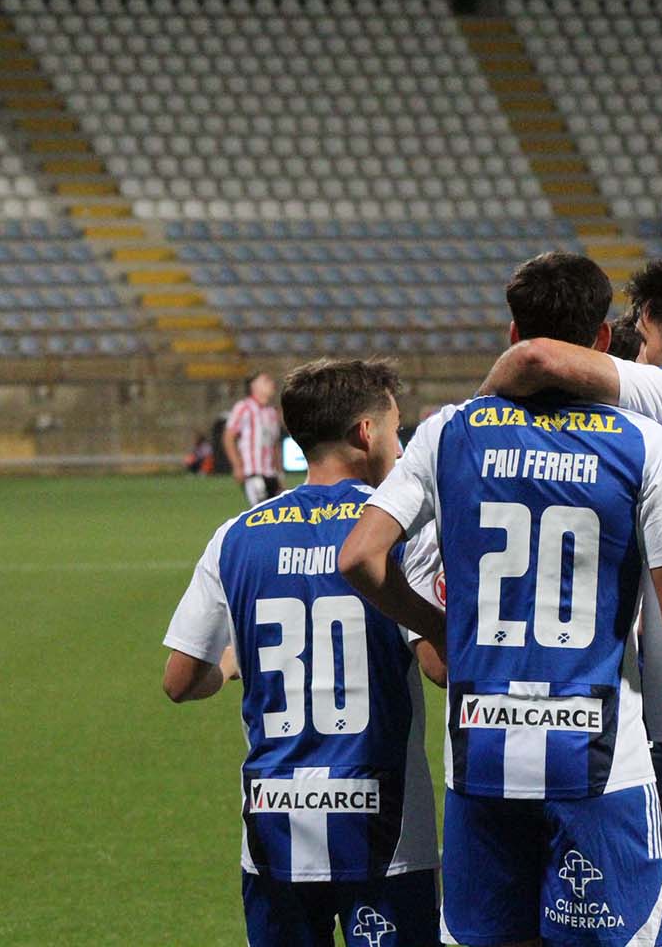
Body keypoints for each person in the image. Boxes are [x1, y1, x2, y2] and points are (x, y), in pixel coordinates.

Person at [340, 251, 662, 947]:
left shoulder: (451, 431)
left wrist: (442, 630)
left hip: (489, 749)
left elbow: (361, 556)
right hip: (651, 746)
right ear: (603, 338)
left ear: (512, 329)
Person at [161, 358, 446, 947]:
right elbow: (439, 667)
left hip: (273, 827)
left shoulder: (236, 535)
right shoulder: (399, 530)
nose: (401, 442)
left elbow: (180, 680)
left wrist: (231, 665)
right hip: (385, 829)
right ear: (367, 434)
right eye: (397, 428)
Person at [225, 372, 284, 506]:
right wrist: (237, 466)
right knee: (262, 511)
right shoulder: (243, 407)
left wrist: (279, 474)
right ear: (254, 385)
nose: (271, 384)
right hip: (253, 472)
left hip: (271, 473)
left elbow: (274, 445)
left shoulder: (272, 412)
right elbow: (229, 437)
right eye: (266, 380)